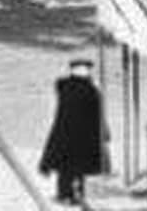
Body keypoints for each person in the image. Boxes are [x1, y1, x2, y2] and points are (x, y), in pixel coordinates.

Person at [39, 58, 106, 206]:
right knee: (79, 168)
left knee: (66, 168)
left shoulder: (67, 89)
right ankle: (76, 194)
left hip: (66, 133)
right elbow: (97, 116)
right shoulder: (91, 91)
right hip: (84, 136)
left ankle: (65, 194)